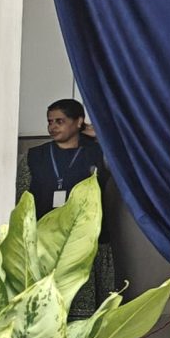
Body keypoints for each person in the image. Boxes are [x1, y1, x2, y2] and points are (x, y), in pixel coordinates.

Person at [20, 99, 118, 310]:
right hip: (45, 243)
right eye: (50, 122)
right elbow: (21, 200)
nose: (52, 127)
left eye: (60, 121)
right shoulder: (34, 156)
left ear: (79, 121)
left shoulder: (98, 153)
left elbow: (128, 159)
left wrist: (100, 134)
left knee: (85, 305)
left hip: (88, 241)